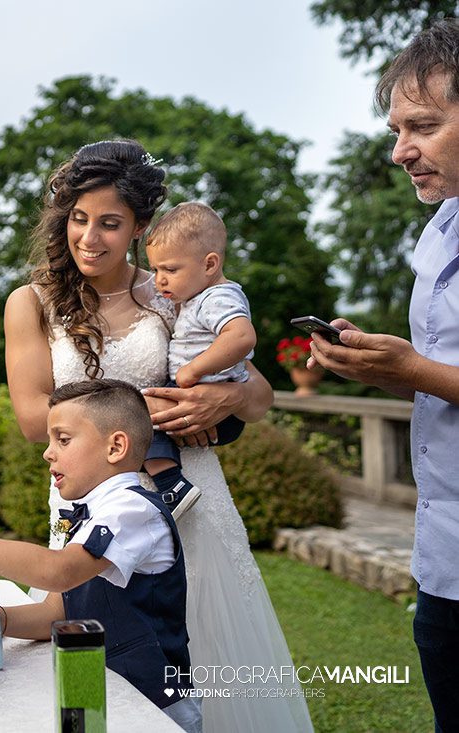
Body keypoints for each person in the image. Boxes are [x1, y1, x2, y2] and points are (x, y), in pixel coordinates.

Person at [3, 140, 312, 731]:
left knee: (205, 641)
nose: (90, 238)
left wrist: (224, 395)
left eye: (111, 224)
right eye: (78, 219)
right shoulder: (31, 303)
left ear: (141, 227)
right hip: (87, 496)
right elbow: (30, 415)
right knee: (101, 637)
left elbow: (261, 397)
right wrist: (131, 416)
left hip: (188, 496)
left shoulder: (169, 291)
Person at [0, 379, 202, 732]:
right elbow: (59, 611)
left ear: (115, 447)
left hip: (151, 704)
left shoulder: (132, 510)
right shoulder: (93, 512)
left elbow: (59, 572)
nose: (47, 452)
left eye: (63, 440)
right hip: (97, 695)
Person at [308, 19, 459, 731]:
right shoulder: (439, 229)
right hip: (445, 558)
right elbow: (440, 376)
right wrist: (385, 367)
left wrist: (418, 367)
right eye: (396, 128)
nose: (401, 151)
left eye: (422, 126)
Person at [142, 202, 256, 518]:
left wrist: (193, 370)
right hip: (201, 390)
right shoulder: (197, 298)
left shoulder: (218, 297)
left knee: (138, 418)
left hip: (209, 392)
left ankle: (171, 486)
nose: (159, 280)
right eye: (155, 270)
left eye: (170, 270)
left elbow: (242, 337)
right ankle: (171, 484)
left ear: (209, 264)